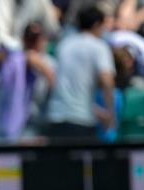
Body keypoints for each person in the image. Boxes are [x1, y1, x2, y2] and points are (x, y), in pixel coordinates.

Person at [45, 4, 116, 139]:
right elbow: (107, 82)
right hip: (82, 123)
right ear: (96, 24)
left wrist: (99, 113)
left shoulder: (64, 45)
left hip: (55, 118)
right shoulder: (99, 47)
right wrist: (111, 114)